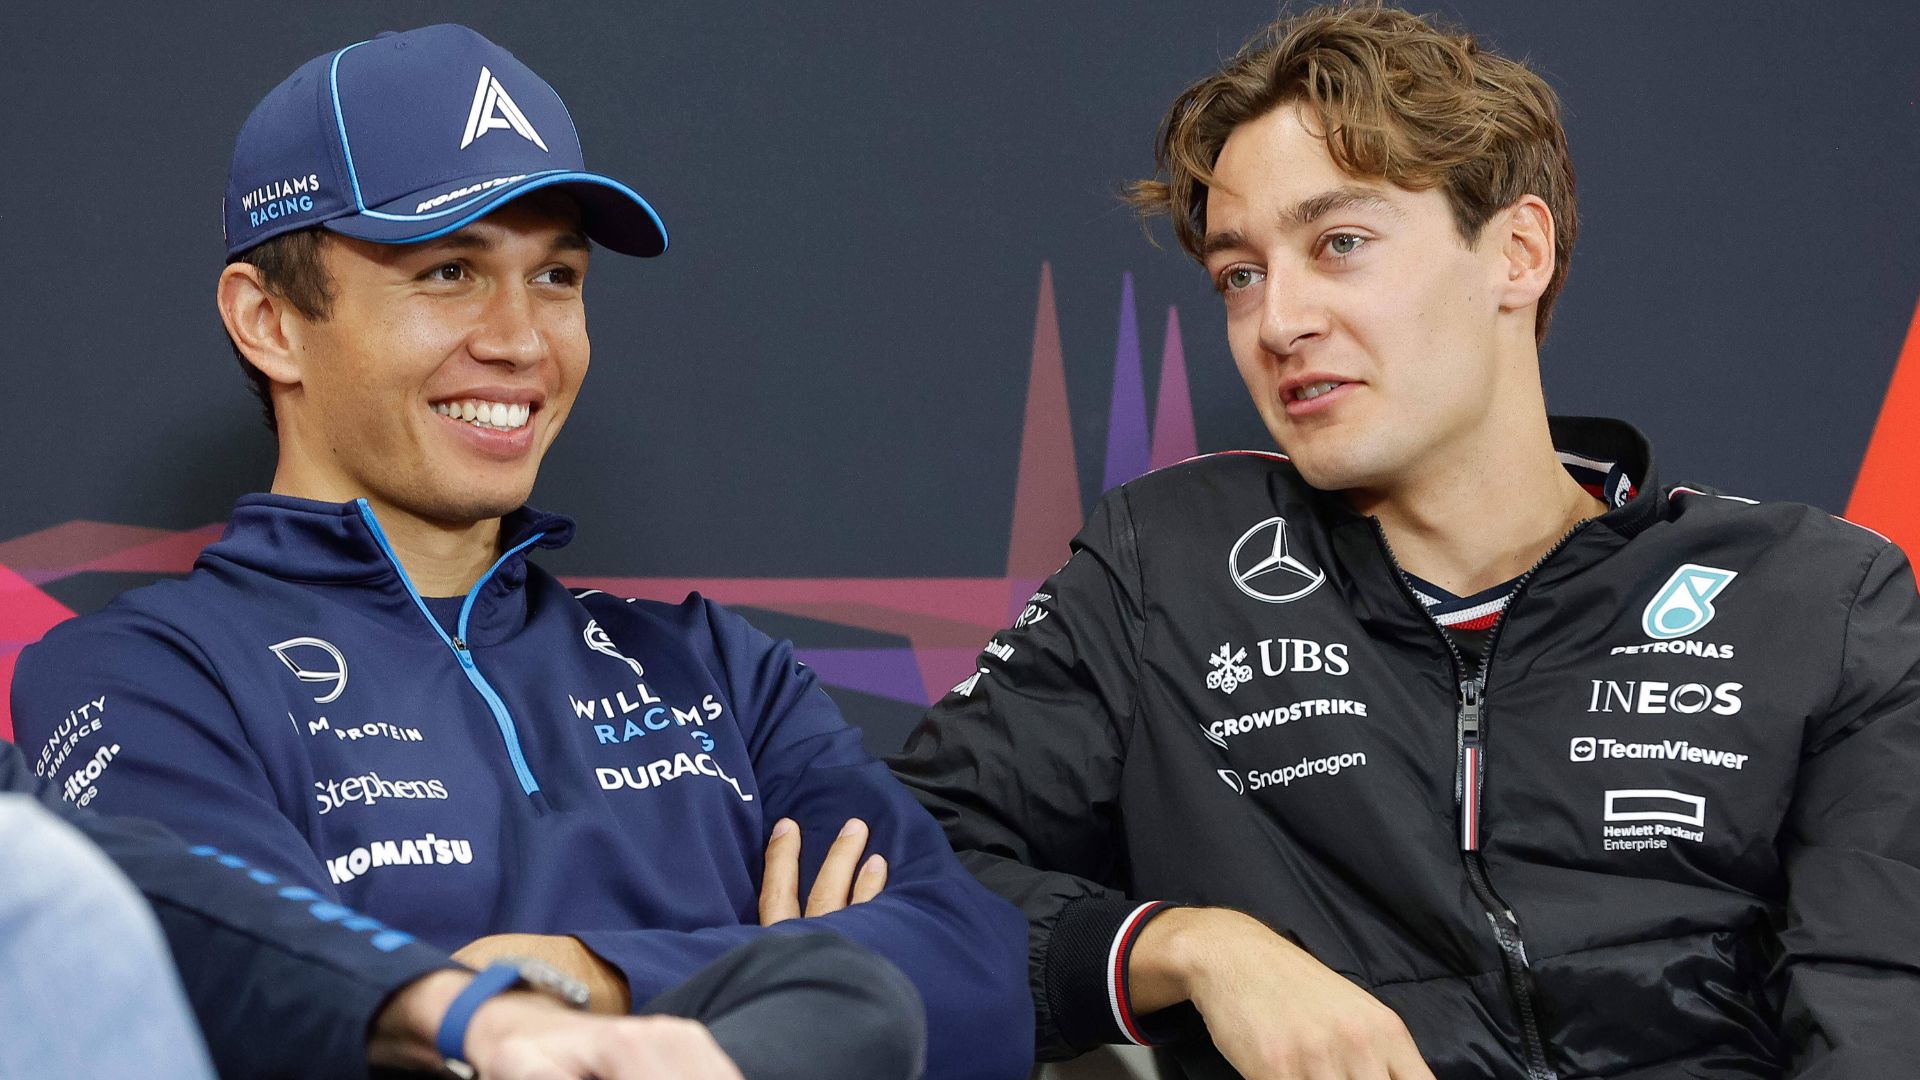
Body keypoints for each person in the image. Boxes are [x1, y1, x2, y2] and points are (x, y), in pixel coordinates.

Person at [889, 6, 1920, 1078]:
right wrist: (1191, 948)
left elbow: (1882, 1009)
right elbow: (889, 880)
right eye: (1240, 274)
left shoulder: (1812, 598)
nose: (1279, 320)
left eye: (1340, 243)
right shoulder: (1168, 570)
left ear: (1516, 252)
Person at [7, 23, 1028, 1080]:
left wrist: (591, 974)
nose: (522, 341)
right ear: (268, 321)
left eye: (556, 276)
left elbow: (983, 985)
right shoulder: (144, 677)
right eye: (449, 271)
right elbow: (277, 1010)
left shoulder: (717, 670)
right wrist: (765, 968)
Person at [0, 736, 913, 1079]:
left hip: (482, 1041)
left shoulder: (709, 649)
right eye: (441, 290)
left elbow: (972, 968)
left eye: (558, 291)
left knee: (846, 987)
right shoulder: (148, 659)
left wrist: (516, 996)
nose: (512, 340)